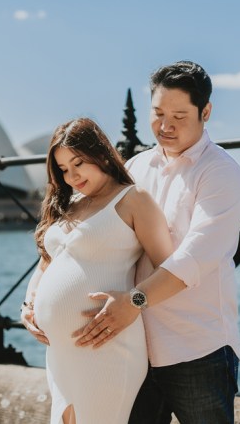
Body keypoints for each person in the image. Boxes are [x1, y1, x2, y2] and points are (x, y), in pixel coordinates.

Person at [73, 60, 240, 424]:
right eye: (157, 114)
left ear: (206, 112)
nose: (165, 126)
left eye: (179, 116)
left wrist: (133, 302)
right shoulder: (135, 168)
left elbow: (194, 259)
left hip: (197, 347)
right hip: (134, 346)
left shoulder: (221, 173)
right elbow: (92, 236)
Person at [20, 117, 175, 424]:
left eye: (78, 163)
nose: (72, 176)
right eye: (63, 169)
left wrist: (135, 302)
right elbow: (45, 264)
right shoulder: (70, 205)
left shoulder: (133, 199)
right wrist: (29, 304)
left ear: (101, 154)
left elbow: (171, 271)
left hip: (107, 347)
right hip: (61, 354)